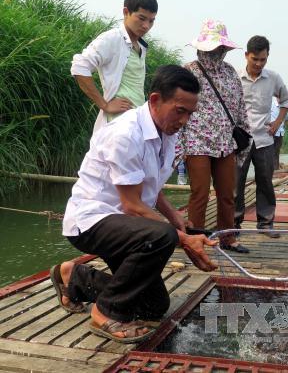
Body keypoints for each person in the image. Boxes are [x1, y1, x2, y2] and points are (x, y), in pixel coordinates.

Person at [51, 65, 217, 344]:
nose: (185, 120)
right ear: (154, 100)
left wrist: (173, 214)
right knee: (162, 236)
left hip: (127, 227)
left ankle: (74, 276)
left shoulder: (167, 133)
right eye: (180, 111)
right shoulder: (126, 134)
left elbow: (149, 187)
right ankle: (105, 312)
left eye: (190, 113)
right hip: (92, 221)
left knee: (154, 306)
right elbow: (131, 206)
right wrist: (184, 239)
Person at [178, 20, 250, 253]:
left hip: (225, 143)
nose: (214, 53)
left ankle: (228, 238)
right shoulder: (189, 71)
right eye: (210, 48)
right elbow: (178, 107)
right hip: (197, 142)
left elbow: (240, 107)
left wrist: (244, 137)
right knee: (199, 193)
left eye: (219, 48)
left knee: (227, 194)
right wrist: (180, 145)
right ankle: (195, 240)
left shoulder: (230, 73)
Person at [71, 0, 157, 133]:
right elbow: (79, 66)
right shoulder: (113, 38)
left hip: (136, 122)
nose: (146, 26)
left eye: (151, 20)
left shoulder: (140, 46)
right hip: (117, 125)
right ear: (126, 12)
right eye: (141, 18)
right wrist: (105, 105)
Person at [235, 35, 288, 238]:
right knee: (236, 182)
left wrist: (277, 123)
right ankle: (235, 223)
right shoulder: (235, 76)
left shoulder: (273, 78)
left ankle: (266, 223)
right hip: (240, 139)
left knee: (265, 181)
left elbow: (286, 100)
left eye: (263, 60)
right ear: (246, 56)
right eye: (255, 59)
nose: (259, 64)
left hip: (265, 138)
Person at [270, 99, 288, 171]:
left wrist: (283, 126)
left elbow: (286, 119)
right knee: (271, 151)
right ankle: (271, 170)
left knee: (277, 151)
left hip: (280, 132)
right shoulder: (271, 104)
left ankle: (276, 169)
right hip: (272, 132)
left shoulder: (284, 106)